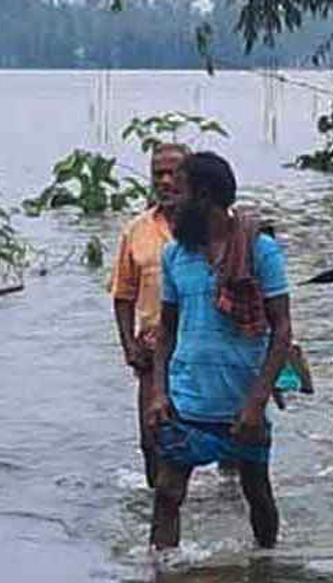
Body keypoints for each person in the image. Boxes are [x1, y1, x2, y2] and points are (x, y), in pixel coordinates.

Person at [146, 151, 292, 549]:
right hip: (187, 398)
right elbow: (167, 330)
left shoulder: (260, 252)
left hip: (241, 402)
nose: (172, 201)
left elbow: (281, 332)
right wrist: (159, 392)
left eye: (182, 193)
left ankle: (265, 574)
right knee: (167, 493)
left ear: (205, 196)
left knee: (257, 494)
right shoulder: (176, 255)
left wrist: (256, 402)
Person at [109, 142, 188, 492]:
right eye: (159, 174)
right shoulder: (136, 230)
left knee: (223, 437)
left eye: (175, 173)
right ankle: (159, 506)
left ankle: (222, 503)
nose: (167, 181)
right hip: (154, 350)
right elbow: (123, 295)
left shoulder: (216, 225)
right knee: (152, 438)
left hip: (204, 347)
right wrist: (128, 345)